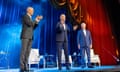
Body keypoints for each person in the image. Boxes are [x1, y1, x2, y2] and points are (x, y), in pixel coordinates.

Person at [20, 7, 43, 72]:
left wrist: (37, 21)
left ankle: (26, 67)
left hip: (30, 36)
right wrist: (36, 19)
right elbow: (30, 24)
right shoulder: (25, 16)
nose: (33, 11)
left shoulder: (30, 18)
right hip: (25, 36)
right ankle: (22, 67)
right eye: (32, 10)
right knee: (23, 51)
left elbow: (33, 27)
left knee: (27, 52)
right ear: (28, 10)